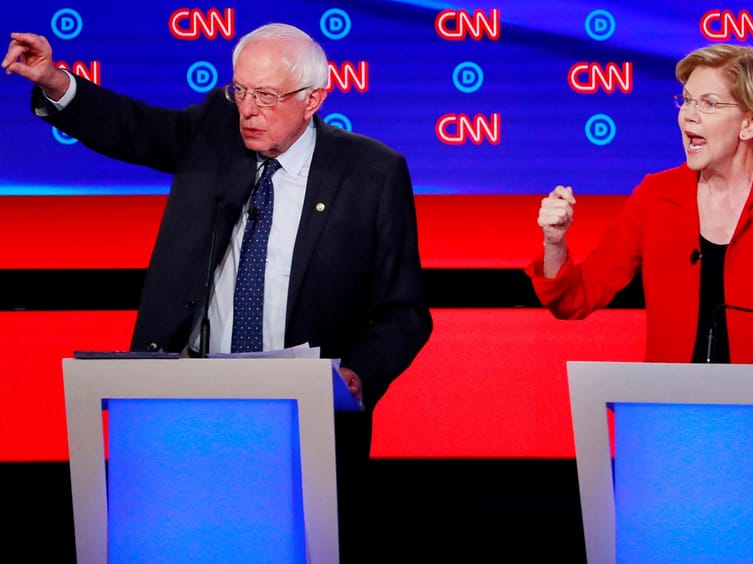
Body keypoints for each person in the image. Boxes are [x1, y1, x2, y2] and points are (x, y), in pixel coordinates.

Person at [4, 23, 432, 561]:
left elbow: (404, 312)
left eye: (268, 96)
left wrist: (358, 375)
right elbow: (131, 127)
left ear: (313, 99)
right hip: (186, 407)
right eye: (241, 91)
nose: (248, 110)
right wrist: (54, 80)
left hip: (302, 418)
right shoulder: (214, 132)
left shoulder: (372, 173)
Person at [527, 44, 753, 503]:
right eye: (686, 100)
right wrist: (555, 241)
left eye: (709, 103)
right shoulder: (656, 197)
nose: (688, 115)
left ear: (750, 122)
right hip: (677, 432)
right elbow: (573, 299)